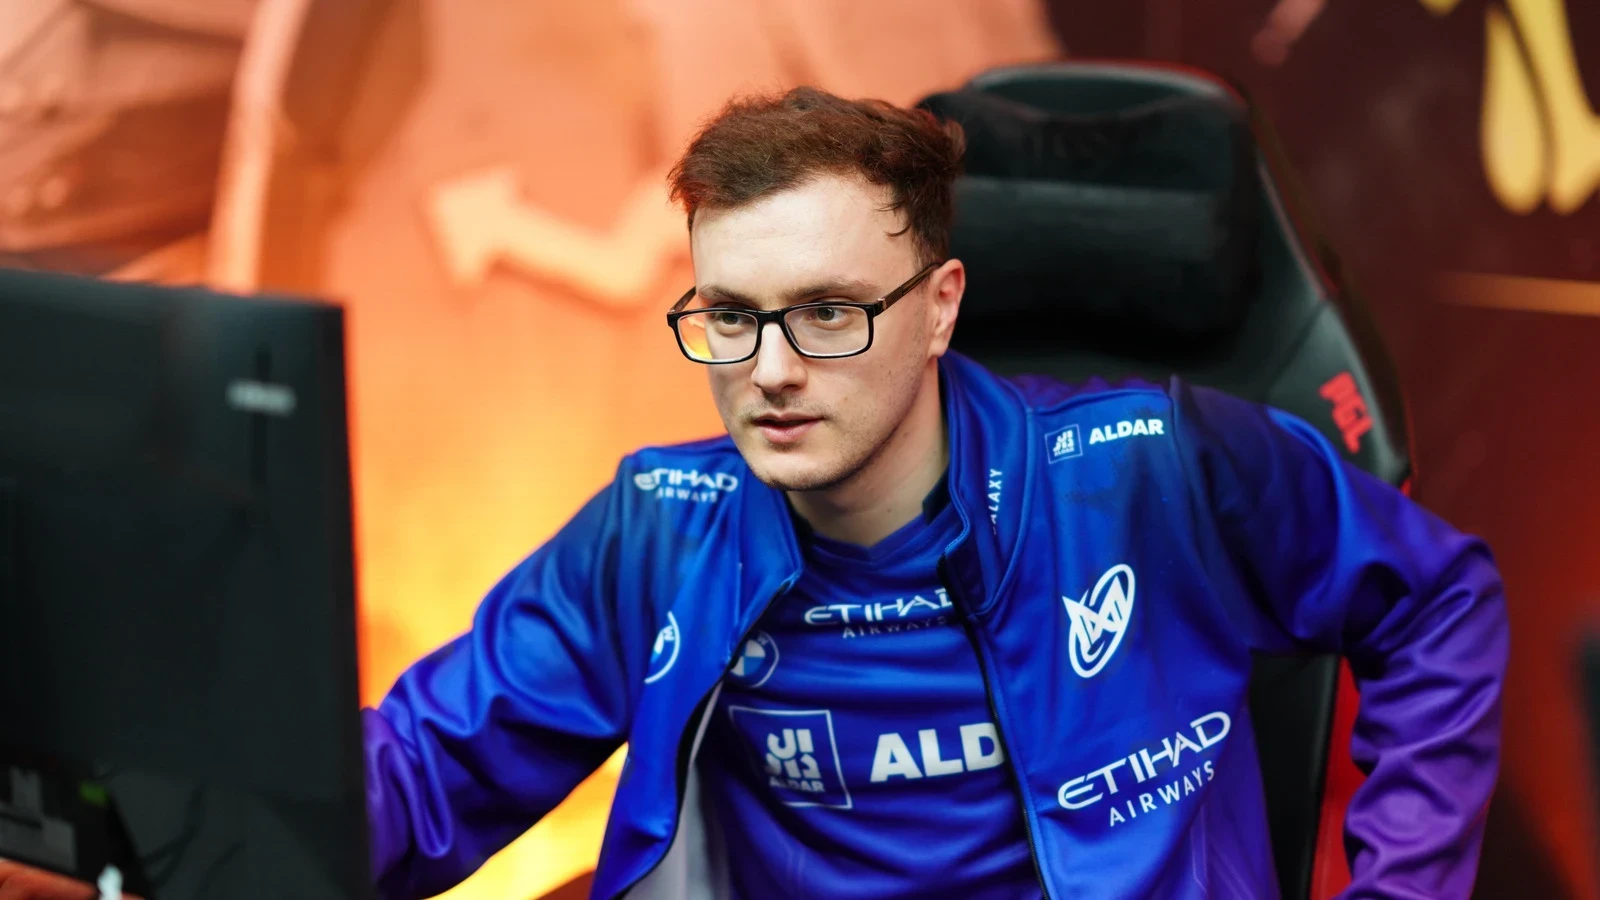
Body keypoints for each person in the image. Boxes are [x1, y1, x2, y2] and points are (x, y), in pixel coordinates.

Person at [362, 86, 1508, 899]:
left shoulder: (1152, 470)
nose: (769, 370)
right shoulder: (661, 530)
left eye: (827, 312)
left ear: (940, 306)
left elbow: (1439, 600)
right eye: (731, 317)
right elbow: (420, 774)